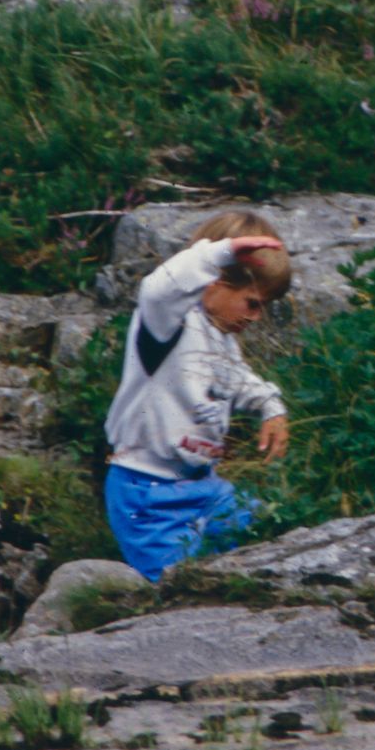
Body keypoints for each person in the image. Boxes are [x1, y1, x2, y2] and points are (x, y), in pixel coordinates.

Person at [103, 210, 293, 581]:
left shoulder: (221, 336)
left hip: (204, 486)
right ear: (213, 283)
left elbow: (238, 379)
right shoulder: (165, 324)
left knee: (264, 531)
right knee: (174, 584)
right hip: (147, 492)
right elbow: (158, 289)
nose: (257, 317)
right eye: (252, 302)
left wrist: (271, 406)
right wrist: (218, 253)